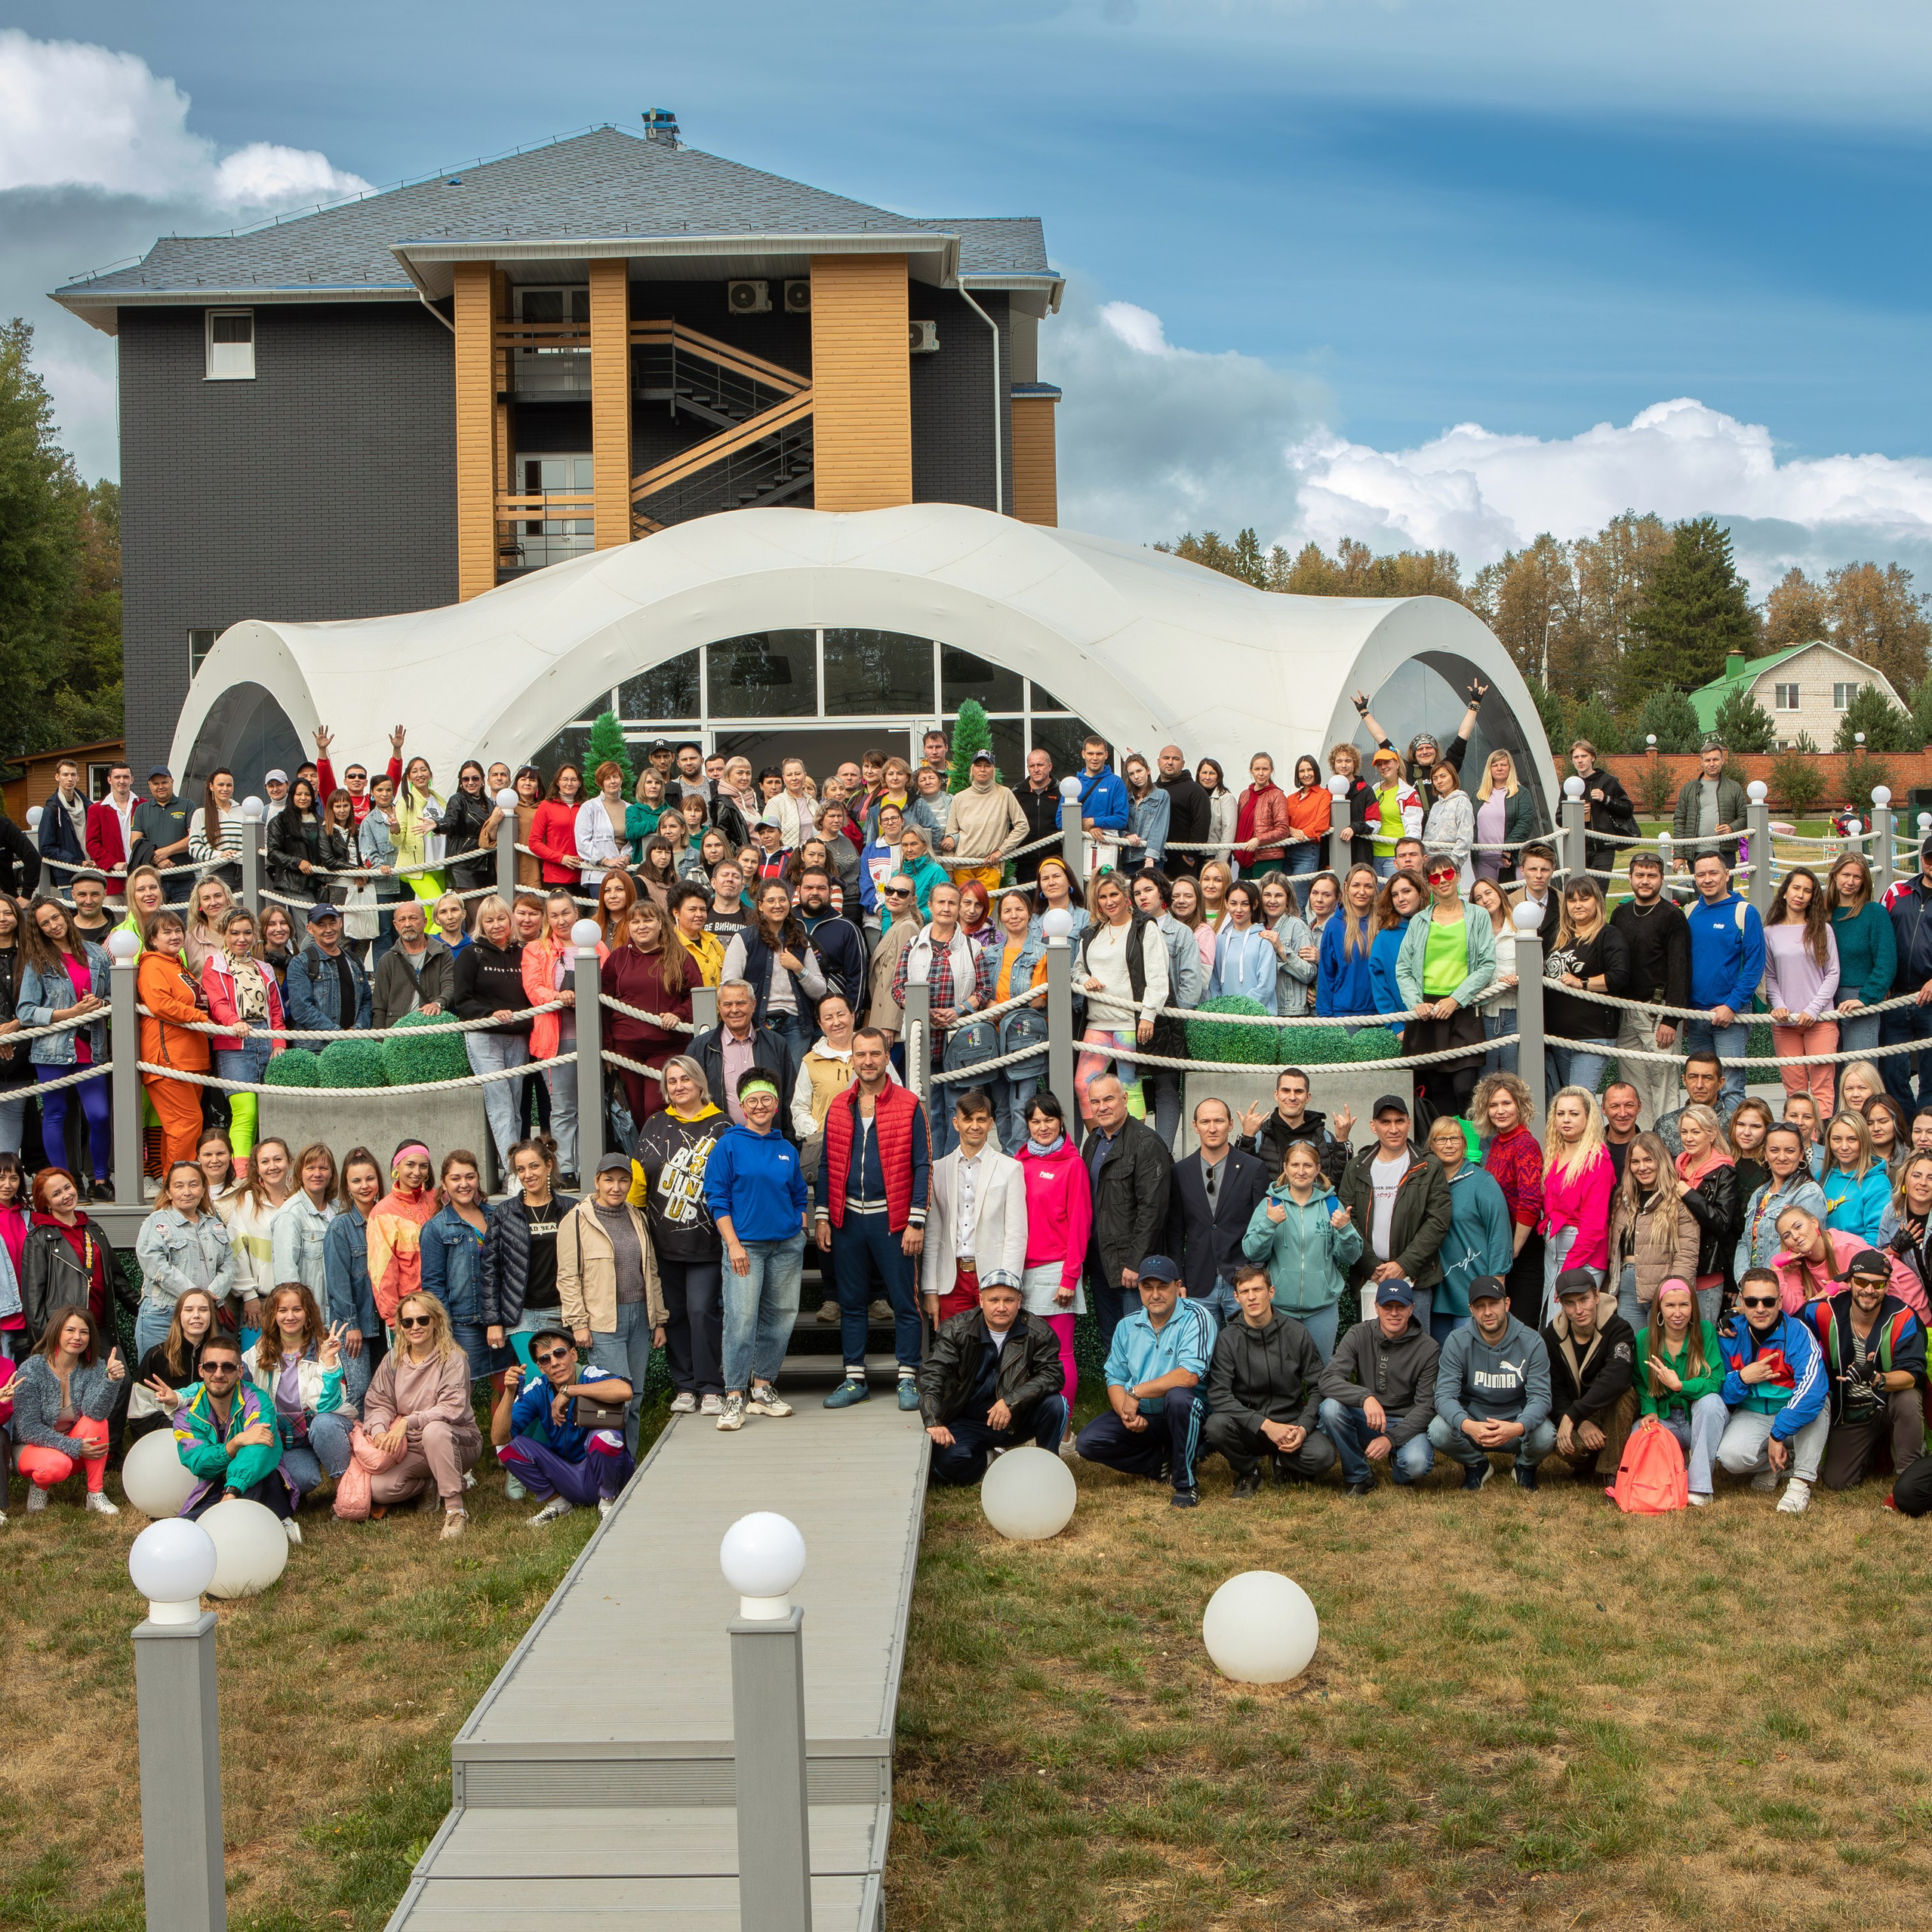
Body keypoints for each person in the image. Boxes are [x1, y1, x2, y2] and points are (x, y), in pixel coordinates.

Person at [817, 1029, 930, 1411]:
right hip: (847, 1218)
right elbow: (826, 1162)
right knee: (850, 1302)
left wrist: (916, 1221)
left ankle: (908, 1378)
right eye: (860, 1054)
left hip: (892, 1220)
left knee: (904, 1302)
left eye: (875, 1054)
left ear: (886, 1058)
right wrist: (822, 1216)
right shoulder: (838, 1105)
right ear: (852, 1058)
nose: (867, 1061)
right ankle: (854, 1379)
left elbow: (922, 1164)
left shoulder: (909, 1104)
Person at [704, 1067, 809, 1432]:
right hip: (744, 1245)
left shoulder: (785, 1148)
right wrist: (732, 1244)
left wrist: (801, 1220)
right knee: (742, 1319)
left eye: (767, 1099)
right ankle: (734, 1396)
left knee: (782, 1315)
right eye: (753, 1100)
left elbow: (798, 1191)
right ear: (742, 1106)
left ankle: (762, 1389)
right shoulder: (728, 1145)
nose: (761, 1105)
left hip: (786, 1246)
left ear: (776, 1104)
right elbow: (717, 1198)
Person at [1073, 1256, 1214, 1507]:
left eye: (1163, 1286)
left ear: (1177, 1285)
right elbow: (1115, 1377)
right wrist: (1126, 1414)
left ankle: (1186, 1483)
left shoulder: (1197, 1317)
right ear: (1139, 1288)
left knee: (1179, 1397)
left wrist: (1137, 1392)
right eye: (1148, 1287)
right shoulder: (1127, 1326)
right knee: (1088, 1442)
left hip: (1187, 1414)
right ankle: (1157, 1465)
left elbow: (1189, 1375)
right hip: (1145, 1418)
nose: (1155, 1294)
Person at [558, 1153, 667, 1457]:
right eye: (609, 1180)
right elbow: (567, 1277)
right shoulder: (577, 1219)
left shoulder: (637, 1216)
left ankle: (627, 1463)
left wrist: (658, 1320)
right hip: (603, 1321)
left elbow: (652, 1271)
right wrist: (579, 1323)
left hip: (640, 1317)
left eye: (623, 1181)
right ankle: (606, 1463)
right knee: (614, 1396)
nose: (616, 1187)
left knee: (636, 1395)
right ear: (596, 1181)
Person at [1195, 1263, 1334, 1497]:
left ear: (1271, 1292)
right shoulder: (1228, 1339)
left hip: (1291, 1423)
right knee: (1216, 1426)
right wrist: (1265, 1425)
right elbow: (1219, 1395)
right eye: (1245, 1292)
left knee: (1324, 1457)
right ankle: (1249, 1471)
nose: (1252, 1297)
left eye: (1257, 1290)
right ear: (1237, 1297)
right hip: (1251, 1427)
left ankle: (1283, 1460)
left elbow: (1318, 1386)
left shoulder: (1296, 1332)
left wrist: (1303, 1427)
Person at [919, 1273, 1069, 1484]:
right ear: (981, 1301)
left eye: (1008, 1300)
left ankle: (1047, 1465)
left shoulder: (1038, 1332)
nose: (1001, 1307)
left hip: (1015, 1420)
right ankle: (987, 1460)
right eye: (993, 1300)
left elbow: (1053, 1374)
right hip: (967, 1420)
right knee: (945, 1464)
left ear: (1019, 1301)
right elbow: (933, 1373)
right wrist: (933, 1420)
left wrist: (1011, 1401)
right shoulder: (956, 1329)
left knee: (1056, 1404)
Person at [360, 1291, 484, 1537]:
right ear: (401, 1327)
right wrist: (379, 1431)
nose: (415, 1327)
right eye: (408, 1322)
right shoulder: (393, 1360)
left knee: (434, 1429)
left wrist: (408, 1421)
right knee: (378, 1489)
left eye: (422, 1320)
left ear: (436, 1320)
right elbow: (379, 1402)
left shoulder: (453, 1359)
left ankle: (455, 1510)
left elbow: (451, 1408)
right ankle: (430, 1483)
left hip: (458, 1440)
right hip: (413, 1447)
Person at [1805, 1247, 1927, 1493]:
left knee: (1907, 1399)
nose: (1869, 1290)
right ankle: (1875, 1452)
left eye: (1878, 1284)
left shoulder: (1903, 1317)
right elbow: (1783, 1324)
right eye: (1861, 1282)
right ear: (1849, 1281)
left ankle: (1909, 1474)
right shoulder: (1823, 1311)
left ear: (1887, 1285)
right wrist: (1741, 1310)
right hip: (1851, 1412)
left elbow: (1911, 1375)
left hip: (1888, 1402)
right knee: (1837, 1482)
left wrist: (1875, 1377)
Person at [491, 1327, 635, 1524]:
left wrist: (570, 1391)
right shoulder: (538, 1388)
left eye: (560, 1353)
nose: (555, 1363)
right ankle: (558, 1504)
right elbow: (499, 1437)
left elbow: (625, 1390)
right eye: (545, 1359)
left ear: (573, 1354)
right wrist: (509, 1392)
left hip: (606, 1471)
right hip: (565, 1473)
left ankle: (608, 1501)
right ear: (541, 1368)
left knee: (605, 1437)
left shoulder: (590, 1373)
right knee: (505, 1447)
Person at [1715, 1265, 1829, 1513]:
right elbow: (1722, 1394)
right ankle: (1777, 1466)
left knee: (1819, 1407)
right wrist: (1744, 1378)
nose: (1760, 1309)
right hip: (1753, 1413)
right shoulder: (1728, 1334)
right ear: (1740, 1301)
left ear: (1779, 1301)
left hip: (1793, 1412)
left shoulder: (1798, 1332)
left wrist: (1778, 1433)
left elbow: (1812, 1389)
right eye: (1752, 1301)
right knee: (1730, 1457)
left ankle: (1801, 1482)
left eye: (1768, 1301)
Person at [19, 897, 111, 1198]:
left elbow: (114, 996)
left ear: (66, 915)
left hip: (92, 1048)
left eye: (55, 918)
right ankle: (64, 1183)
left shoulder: (96, 953)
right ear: (40, 930)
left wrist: (100, 1005)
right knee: (55, 1114)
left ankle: (100, 1181)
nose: (53, 925)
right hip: (52, 1049)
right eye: (45, 923)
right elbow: (26, 1011)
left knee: (98, 1115)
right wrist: (69, 1014)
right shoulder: (37, 960)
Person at [1428, 1276, 1555, 1490]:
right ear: (1471, 1309)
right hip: (1475, 1427)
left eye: (1493, 1303)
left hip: (1516, 1427)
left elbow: (1541, 1397)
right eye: (1480, 1306)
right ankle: (1476, 1464)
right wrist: (1469, 1425)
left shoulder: (1532, 1341)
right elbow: (1444, 1396)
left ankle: (1525, 1466)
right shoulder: (1457, 1341)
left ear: (1506, 1303)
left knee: (1546, 1435)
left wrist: (1517, 1427)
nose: (1487, 1312)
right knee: (1438, 1430)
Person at [1239, 1137, 1361, 1361]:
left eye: (1307, 1165)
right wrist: (1269, 1224)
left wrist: (1345, 1230)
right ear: (1285, 1167)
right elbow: (1252, 1252)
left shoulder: (1331, 1204)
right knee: (1281, 1375)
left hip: (1322, 1309)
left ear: (1317, 1169)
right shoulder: (1271, 1204)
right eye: (1295, 1165)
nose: (1301, 1171)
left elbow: (1351, 1257)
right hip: (1280, 1310)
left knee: (1322, 1373)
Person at [1395, 853, 1494, 1125]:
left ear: (1458, 875)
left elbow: (1486, 965)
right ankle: (1443, 1155)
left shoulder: (1478, 915)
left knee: (1465, 1089)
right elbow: (1403, 968)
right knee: (1436, 1091)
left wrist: (1456, 999)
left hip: (1462, 1010)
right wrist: (1416, 1003)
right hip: (1427, 1013)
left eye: (1448, 874)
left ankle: (1471, 1154)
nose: (1443, 881)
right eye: (1435, 877)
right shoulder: (1419, 921)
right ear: (1429, 884)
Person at [920, 1086, 1028, 1335]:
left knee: (994, 1351)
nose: (975, 1126)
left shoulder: (1010, 1169)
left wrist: (1007, 1286)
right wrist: (930, 1289)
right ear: (956, 1123)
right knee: (953, 1351)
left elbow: (1016, 1234)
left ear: (991, 1123)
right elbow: (933, 1234)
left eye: (981, 1119)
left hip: (993, 1277)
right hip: (951, 1279)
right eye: (968, 1119)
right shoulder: (938, 1170)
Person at [1337, 1094, 1451, 1327]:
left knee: (1416, 1354)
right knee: (1372, 1353)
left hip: (1415, 1279)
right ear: (1373, 1126)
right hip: (1371, 1279)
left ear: (1409, 1123)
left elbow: (1438, 1221)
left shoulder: (1429, 1166)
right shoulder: (1356, 1167)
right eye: (1385, 1122)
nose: (1393, 1128)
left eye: (1399, 1121)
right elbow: (1349, 1218)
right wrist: (1371, 1266)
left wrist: (1404, 1265)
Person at [1081, 1071, 1174, 1349]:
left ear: (1125, 1099)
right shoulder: (1093, 1142)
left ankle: (1144, 1393)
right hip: (1100, 1262)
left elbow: (1153, 1209)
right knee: (1112, 1338)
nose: (1102, 1107)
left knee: (1140, 1338)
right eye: (1095, 1102)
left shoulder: (1146, 1143)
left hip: (1132, 1268)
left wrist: (1135, 1263)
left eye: (1109, 1099)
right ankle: (1119, 1392)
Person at [1014, 1091, 1091, 1416]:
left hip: (1056, 1271)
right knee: (1025, 1354)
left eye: (1049, 1120)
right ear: (1028, 1125)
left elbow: (1080, 1223)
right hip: (1019, 1272)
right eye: (1036, 1121)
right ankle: (1035, 1423)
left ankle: (1064, 1429)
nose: (1043, 1127)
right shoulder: (1019, 1162)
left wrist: (1069, 1276)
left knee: (1059, 1354)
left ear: (1061, 1122)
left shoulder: (1073, 1165)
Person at [243, 1284, 352, 1513]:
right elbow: (233, 1381)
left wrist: (328, 1363)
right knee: (302, 1480)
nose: (290, 1316)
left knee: (324, 1423)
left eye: (297, 1310)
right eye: (283, 1310)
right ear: (273, 1314)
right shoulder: (259, 1352)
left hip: (325, 1425)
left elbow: (327, 1406)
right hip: (291, 1437)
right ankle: (296, 1491)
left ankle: (344, 1492)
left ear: (308, 1313)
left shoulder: (323, 1349)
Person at [168, 1328, 293, 1528]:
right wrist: (236, 1443)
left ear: (239, 1371)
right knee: (185, 1528)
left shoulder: (258, 1401)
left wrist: (232, 1491)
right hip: (214, 1483)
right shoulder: (186, 1414)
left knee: (234, 1523)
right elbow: (199, 1462)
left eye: (227, 1367)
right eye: (211, 1366)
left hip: (259, 1480)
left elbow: (260, 1448)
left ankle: (276, 1524)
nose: (218, 1374)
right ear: (201, 1370)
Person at [11, 1305, 123, 1515]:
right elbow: (28, 1429)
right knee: (57, 1466)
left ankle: (95, 1493)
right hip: (30, 1449)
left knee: (98, 1422)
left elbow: (96, 1413)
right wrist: (72, 1446)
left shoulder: (95, 1367)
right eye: (70, 1330)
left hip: (73, 1446)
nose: (77, 1337)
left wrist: (110, 1380)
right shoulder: (32, 1368)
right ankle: (39, 1487)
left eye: (84, 1332)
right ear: (56, 1332)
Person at [453, 894, 534, 1180]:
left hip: (518, 1036)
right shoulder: (470, 954)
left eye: (501, 918)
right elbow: (462, 1001)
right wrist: (490, 1013)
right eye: (489, 920)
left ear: (510, 920)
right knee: (500, 1102)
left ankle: (512, 1164)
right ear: (481, 925)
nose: (496, 925)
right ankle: (514, 1173)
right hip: (484, 1035)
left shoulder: (524, 953)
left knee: (515, 1104)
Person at [1165, 1096, 1269, 1316]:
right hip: (1197, 1284)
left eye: (1219, 1121)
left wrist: (1256, 1274)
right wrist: (1178, 1278)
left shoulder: (1254, 1169)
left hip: (1243, 1282)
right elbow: (1174, 1232)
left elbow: (1262, 1227)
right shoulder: (1180, 1172)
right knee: (1201, 1351)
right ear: (1195, 1126)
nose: (1212, 1128)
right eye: (1205, 1122)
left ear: (1231, 1125)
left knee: (1245, 1350)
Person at [599, 898, 694, 1137]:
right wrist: (608, 1049)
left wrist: (678, 1014)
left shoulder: (679, 956)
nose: (641, 926)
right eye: (635, 921)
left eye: (648, 920)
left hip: (666, 1047)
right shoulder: (617, 959)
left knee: (655, 1106)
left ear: (661, 924)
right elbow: (604, 1006)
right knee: (637, 1110)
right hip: (626, 1049)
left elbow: (696, 996)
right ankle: (644, 1161)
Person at [202, 907, 286, 1170]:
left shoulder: (265, 968)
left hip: (265, 1039)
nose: (242, 938)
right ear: (223, 934)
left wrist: (279, 1043)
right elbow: (217, 1002)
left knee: (270, 1114)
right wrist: (233, 1022)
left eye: (247, 932)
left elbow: (276, 1010)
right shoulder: (214, 964)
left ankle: (266, 1172)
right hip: (234, 1043)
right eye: (235, 933)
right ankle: (240, 1176)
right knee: (246, 1110)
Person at [22, 1167, 133, 1361]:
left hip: (102, 1329)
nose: (66, 1195)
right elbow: (33, 1302)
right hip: (66, 1334)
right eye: (56, 1194)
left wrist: (141, 1306)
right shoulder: (39, 1239)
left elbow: (115, 1278)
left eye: (67, 1187)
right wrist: (46, 1344)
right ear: (46, 1203)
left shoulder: (93, 1228)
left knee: (120, 1384)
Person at [1631, 1278, 1727, 1505]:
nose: (1677, 1313)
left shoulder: (1705, 1331)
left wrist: (1681, 1386)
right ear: (1659, 1309)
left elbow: (1716, 1380)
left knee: (1711, 1402)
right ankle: (1672, 1473)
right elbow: (1642, 1383)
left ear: (1693, 1307)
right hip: (1667, 1417)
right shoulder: (1645, 1338)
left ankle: (1700, 1488)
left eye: (1684, 1305)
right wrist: (1650, 1411)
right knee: (1639, 1432)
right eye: (1670, 1306)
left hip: (1698, 1416)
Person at [1681, 851, 1764, 1109]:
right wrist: (1684, 1009)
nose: (1707, 879)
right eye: (1701, 874)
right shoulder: (1690, 911)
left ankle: (1734, 1148)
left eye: (1714, 873)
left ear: (1727, 875)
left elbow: (1754, 965)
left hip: (1732, 1015)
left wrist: (1732, 1005)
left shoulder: (1744, 912)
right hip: (1696, 1015)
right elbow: (1682, 962)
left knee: (1731, 1087)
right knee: (1699, 1088)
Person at [1540, 1267, 1636, 1481]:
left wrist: (1574, 1415)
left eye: (1584, 1300)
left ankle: (1611, 1473)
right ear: (1561, 1304)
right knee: (1569, 1447)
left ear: (1596, 1296)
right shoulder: (1551, 1336)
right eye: (1570, 1303)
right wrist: (1578, 1421)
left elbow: (1617, 1379)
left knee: (1625, 1394)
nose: (1578, 1310)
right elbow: (1553, 1390)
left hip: (1612, 1409)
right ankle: (1587, 1465)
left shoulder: (1619, 1328)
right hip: (1578, 1414)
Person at [1538, 876, 1629, 1100]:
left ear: (1597, 902)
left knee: (1581, 1101)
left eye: (1584, 899)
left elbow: (1620, 976)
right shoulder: (1558, 938)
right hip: (1559, 1038)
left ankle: (1595, 1138)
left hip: (1592, 1036)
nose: (1577, 905)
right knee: (1571, 1102)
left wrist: (1583, 983)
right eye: (1572, 900)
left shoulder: (1608, 935)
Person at [1426, 1112, 1513, 1343]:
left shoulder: (1483, 1182)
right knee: (1441, 1364)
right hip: (1438, 1294)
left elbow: (1500, 1235)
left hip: (1474, 1289)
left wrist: (1496, 1283)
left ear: (1465, 1143)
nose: (1448, 1145)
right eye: (1441, 1139)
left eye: (1455, 1138)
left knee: (1472, 1362)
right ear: (1431, 1145)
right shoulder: (1425, 1184)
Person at [137, 907, 214, 1170]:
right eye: (166, 932)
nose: (174, 936)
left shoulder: (178, 966)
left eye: (178, 930)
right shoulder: (152, 965)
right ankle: (178, 1188)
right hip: (167, 1060)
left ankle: (177, 1183)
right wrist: (201, 1018)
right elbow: (160, 1004)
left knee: (187, 1125)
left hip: (191, 1059)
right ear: (152, 939)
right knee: (186, 1123)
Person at [134, 1159, 236, 1356]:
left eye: (194, 1184)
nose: (187, 1192)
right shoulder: (155, 1222)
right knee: (157, 1379)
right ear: (169, 1192)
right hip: (163, 1316)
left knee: (199, 1379)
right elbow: (155, 1266)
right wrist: (197, 1297)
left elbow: (229, 1265)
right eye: (179, 1186)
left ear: (204, 1188)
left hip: (205, 1318)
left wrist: (212, 1293)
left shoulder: (213, 1223)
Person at [1606, 1132, 1701, 1336]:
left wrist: (1674, 1293)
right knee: (1632, 1351)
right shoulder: (1622, 1198)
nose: (1642, 1167)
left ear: (1661, 1160)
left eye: (1648, 1160)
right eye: (1635, 1161)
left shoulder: (1678, 1199)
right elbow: (1614, 1248)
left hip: (1663, 1287)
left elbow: (1687, 1254)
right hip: (1627, 1286)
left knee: (1661, 1351)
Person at [1761, 866, 1839, 1114]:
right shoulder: (1769, 933)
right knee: (1794, 1087)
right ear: (1785, 892)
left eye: (1807, 891)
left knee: (1822, 1086)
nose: (1800, 895)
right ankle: (1797, 1142)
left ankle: (1820, 1146)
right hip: (1786, 1023)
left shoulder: (1823, 930)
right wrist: (1779, 1005)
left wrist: (1814, 1009)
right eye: (1796, 888)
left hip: (1820, 1020)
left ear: (1812, 897)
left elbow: (1832, 973)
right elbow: (1770, 975)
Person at [724, 880, 826, 1064]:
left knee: (791, 1083)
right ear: (761, 906)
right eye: (771, 901)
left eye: (782, 900)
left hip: (796, 1025)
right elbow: (729, 984)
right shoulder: (744, 939)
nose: (777, 905)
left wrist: (798, 968)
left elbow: (819, 991)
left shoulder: (801, 941)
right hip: (758, 1023)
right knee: (763, 1080)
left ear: (789, 903)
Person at [420, 1149, 499, 1386]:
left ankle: (502, 1427)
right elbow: (433, 1287)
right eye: (456, 1178)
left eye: (470, 1177)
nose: (464, 1184)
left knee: (507, 1388)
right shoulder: (435, 1229)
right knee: (460, 1391)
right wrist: (444, 1332)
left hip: (500, 1321)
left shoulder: (497, 1217)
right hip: (462, 1324)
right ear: (444, 1183)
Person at [1774, 1201, 1926, 1321]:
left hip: (1910, 1307)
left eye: (1798, 1226)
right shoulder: (1794, 1263)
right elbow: (1796, 1312)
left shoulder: (1847, 1246)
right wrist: (1776, 1268)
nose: (1795, 1236)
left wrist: (1842, 1284)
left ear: (1814, 1223)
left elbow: (1890, 1290)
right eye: (1787, 1235)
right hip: (1866, 1319)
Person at [1540, 1087, 1614, 1318]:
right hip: (1553, 1249)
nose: (1566, 1120)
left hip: (1583, 1253)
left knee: (1564, 1323)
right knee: (1549, 1323)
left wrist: (1569, 1271)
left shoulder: (1597, 1160)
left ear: (1588, 1117)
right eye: (1560, 1114)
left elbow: (1593, 1226)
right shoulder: (1555, 1152)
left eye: (1573, 1114)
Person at [324, 1147, 384, 1414]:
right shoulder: (340, 1227)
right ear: (347, 1187)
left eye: (369, 1179)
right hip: (356, 1325)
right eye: (356, 1181)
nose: (364, 1186)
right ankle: (349, 1449)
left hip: (386, 1324)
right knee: (359, 1391)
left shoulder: (386, 1220)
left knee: (385, 1392)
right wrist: (352, 1326)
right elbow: (338, 1285)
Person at [694, 980, 794, 1130]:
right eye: (727, 1004)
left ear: (753, 1005)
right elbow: (692, 1100)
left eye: (741, 1003)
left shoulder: (776, 1044)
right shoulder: (701, 1047)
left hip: (769, 1139)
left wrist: (789, 1140)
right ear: (719, 1008)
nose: (734, 1010)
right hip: (722, 1142)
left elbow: (789, 1097)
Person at [1826, 852, 1894, 1069]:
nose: (1850, 882)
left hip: (1859, 997)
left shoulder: (1874, 913)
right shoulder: (1823, 913)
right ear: (1835, 876)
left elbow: (1887, 962)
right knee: (1829, 1074)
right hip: (1825, 998)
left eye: (1857, 877)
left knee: (1859, 1070)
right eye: (1845, 874)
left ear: (1865, 880)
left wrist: (1866, 998)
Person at [1735, 1123, 1828, 1281]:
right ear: (1765, 1154)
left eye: (1790, 1151)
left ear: (1801, 1155)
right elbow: (1746, 1241)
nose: (1782, 1157)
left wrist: (1761, 1281)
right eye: (1774, 1150)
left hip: (1788, 1286)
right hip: (1755, 1289)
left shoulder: (1809, 1193)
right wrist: (1745, 1281)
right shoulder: (1759, 1193)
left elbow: (1799, 1246)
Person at [128, 1285, 219, 1444]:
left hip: (212, 1437)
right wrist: (175, 1428)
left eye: (203, 1310)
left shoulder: (223, 1357)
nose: (196, 1315)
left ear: (211, 1315)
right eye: (189, 1310)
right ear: (178, 1316)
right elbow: (140, 1413)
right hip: (167, 1438)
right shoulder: (156, 1356)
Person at [1238, 1066, 1352, 1191]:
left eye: (1298, 1091)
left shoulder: (1325, 1138)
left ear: (1308, 1097)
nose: (1292, 1097)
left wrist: (1342, 1141)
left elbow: (1340, 1184)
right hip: (1270, 1209)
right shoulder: (1260, 1136)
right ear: (1276, 1095)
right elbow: (1242, 1182)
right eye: (1286, 1090)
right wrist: (1247, 1138)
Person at [368, 1140, 439, 1335]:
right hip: (409, 1314)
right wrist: (393, 1318)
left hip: (442, 1306)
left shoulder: (438, 1198)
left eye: (423, 1166)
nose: (417, 1172)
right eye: (410, 1164)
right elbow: (382, 1271)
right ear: (396, 1166)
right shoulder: (382, 1212)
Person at [940, 747, 1029, 891]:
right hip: (962, 865)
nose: (983, 769)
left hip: (991, 865)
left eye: (987, 766)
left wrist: (1001, 851)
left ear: (993, 770)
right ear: (972, 769)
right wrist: (949, 868)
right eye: (978, 765)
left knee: (986, 908)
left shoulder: (1004, 794)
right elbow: (950, 834)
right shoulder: (959, 798)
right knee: (964, 909)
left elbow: (1023, 826)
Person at [285, 902, 373, 1033]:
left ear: (340, 923)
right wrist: (338, 1033)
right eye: (321, 925)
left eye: (332, 923)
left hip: (353, 1043)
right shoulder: (300, 963)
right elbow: (302, 1010)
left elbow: (367, 1002)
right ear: (309, 928)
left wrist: (356, 1029)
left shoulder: (355, 961)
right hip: (316, 1049)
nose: (328, 929)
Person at [371, 897, 454, 1032]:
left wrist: (438, 1003)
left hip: (433, 1030)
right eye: (402, 920)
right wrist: (380, 1043)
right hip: (396, 1034)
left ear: (425, 921)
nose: (407, 924)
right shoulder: (387, 960)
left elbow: (450, 985)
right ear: (395, 925)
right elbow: (379, 1007)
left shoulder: (443, 953)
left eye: (413, 918)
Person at [1565, 739, 1638, 879]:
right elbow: (1559, 817)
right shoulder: (1570, 784)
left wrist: (1606, 799)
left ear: (1592, 757)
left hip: (1604, 847)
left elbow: (1628, 809)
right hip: (1578, 848)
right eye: (1576, 757)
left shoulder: (1608, 781)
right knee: (1579, 892)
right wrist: (1575, 813)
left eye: (1584, 756)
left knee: (1599, 891)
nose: (1580, 761)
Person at [1671, 740, 1746, 866]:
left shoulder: (1734, 787)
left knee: (1725, 887)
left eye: (1716, 759)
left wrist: (1732, 828)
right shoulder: (1688, 789)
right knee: (1699, 887)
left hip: (1725, 852)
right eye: (1707, 760)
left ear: (1723, 760)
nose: (1712, 764)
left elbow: (1744, 816)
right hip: (1695, 852)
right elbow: (1680, 822)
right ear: (1702, 762)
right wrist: (1678, 855)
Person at [1823, 1109, 1890, 1245]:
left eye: (1852, 1139)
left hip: (1858, 1259)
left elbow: (1876, 1238)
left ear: (1863, 1141)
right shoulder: (1822, 1176)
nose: (1844, 1146)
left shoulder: (1877, 1182)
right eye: (1837, 1139)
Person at [1208, 878, 1278, 1011]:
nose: (1238, 910)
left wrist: (1240, 1009)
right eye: (1233, 903)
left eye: (1245, 904)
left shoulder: (1263, 940)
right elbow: (1214, 984)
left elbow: (1266, 986)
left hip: (1258, 1019)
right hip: (1225, 1020)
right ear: (1226, 904)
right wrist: (1222, 1010)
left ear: (1255, 904)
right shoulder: (1220, 942)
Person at [1472, 749, 1537, 886]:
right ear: (1489, 769)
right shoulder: (1478, 795)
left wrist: (1508, 849)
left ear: (1510, 768)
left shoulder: (1521, 794)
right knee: (1488, 898)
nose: (1499, 768)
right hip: (1483, 859)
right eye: (1495, 765)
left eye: (1503, 765)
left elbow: (1525, 822)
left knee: (1516, 897)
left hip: (1511, 858)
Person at [1657, 1051, 1740, 1156]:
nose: (1699, 1085)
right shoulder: (1664, 1124)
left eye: (1707, 1078)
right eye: (1693, 1077)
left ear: (1720, 1083)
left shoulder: (1735, 1125)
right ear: (1684, 1080)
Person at [1062, 734, 1129, 851]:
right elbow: (1061, 821)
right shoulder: (1072, 784)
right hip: (1076, 848)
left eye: (1099, 753)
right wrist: (1088, 828)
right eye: (1090, 753)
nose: (1095, 758)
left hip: (1106, 848)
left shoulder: (1116, 783)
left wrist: (1092, 822)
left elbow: (1121, 820)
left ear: (1106, 755)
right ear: (1083, 754)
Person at [1155, 744, 1211, 879]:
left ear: (1183, 763)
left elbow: (1201, 826)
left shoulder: (1195, 791)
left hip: (1182, 863)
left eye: (1175, 759)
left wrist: (1190, 855)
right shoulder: (1151, 789)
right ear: (1158, 762)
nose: (1170, 762)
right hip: (1153, 858)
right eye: (1166, 758)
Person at [134, 765, 192, 895]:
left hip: (184, 879)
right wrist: (158, 858)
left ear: (172, 782)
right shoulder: (141, 810)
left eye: (164, 782)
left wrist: (166, 852)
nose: (160, 786)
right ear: (149, 785)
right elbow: (135, 842)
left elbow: (193, 838)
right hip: (153, 881)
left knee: (184, 916)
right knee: (155, 916)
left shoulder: (187, 805)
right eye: (156, 783)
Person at [1231, 752, 1290, 878]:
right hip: (1244, 858)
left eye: (1265, 769)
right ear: (1251, 770)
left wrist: (1259, 840)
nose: (1261, 773)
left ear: (1271, 770)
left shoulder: (1277, 795)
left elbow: (1283, 829)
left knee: (1265, 896)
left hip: (1266, 859)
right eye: (1257, 769)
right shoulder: (1244, 795)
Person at [34, 758, 89, 879]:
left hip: (92, 869)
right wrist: (74, 861)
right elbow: (45, 848)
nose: (70, 778)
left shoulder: (89, 807)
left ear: (78, 778)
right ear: (57, 777)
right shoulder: (51, 810)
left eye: (73, 774)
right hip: (67, 874)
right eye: (65, 775)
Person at [1601, 1081, 1641, 1183]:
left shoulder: (1652, 1148)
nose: (1623, 1114)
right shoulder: (1589, 1148)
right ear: (1603, 1109)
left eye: (1629, 1105)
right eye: (1615, 1106)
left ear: (1639, 1107)